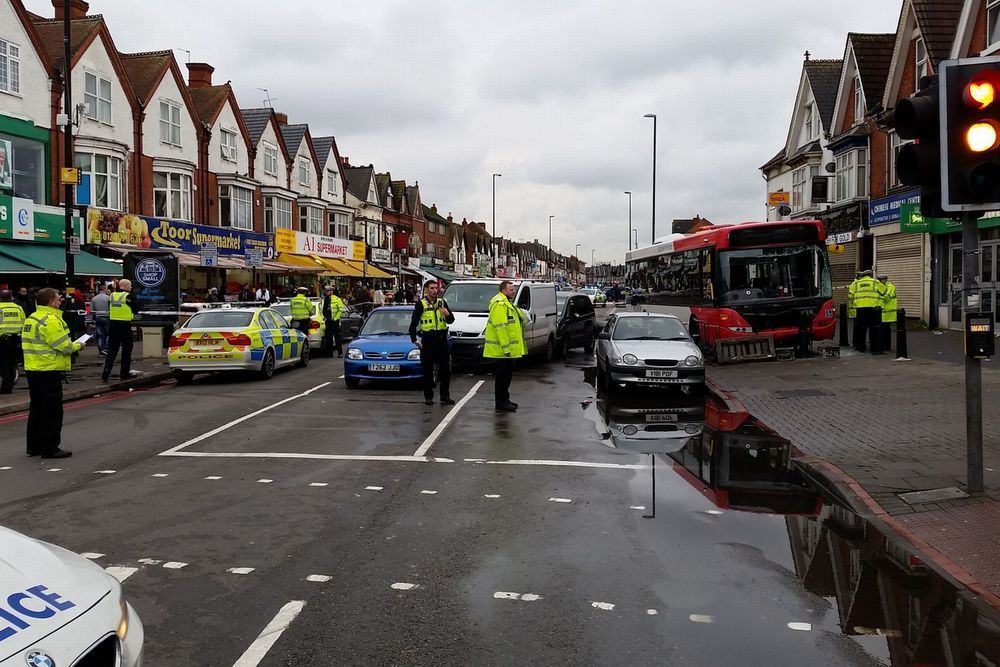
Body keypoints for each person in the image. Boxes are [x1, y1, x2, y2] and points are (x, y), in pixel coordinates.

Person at [22, 288, 83, 458]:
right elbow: (65, 346)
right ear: (50, 302)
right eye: (58, 299)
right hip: (49, 369)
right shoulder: (51, 320)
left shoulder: (32, 318)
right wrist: (79, 345)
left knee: (37, 409)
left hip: (33, 369)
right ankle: (50, 447)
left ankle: (33, 446)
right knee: (52, 411)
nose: (60, 301)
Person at [409, 279, 455, 406]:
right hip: (428, 341)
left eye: (436, 288)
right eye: (432, 288)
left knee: (445, 370)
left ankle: (445, 396)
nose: (435, 291)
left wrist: (447, 314)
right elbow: (413, 325)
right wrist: (414, 340)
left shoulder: (442, 302)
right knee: (427, 370)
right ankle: (428, 396)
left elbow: (451, 320)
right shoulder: (421, 304)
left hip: (441, 340)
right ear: (426, 290)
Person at [484, 280, 527, 412]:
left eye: (513, 289)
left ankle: (505, 400)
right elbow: (500, 328)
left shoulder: (508, 303)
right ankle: (501, 403)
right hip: (502, 351)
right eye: (511, 290)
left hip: (507, 351)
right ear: (503, 290)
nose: (513, 292)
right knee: (502, 378)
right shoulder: (500, 305)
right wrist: (506, 348)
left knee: (506, 377)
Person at [102, 279, 139, 382]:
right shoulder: (128, 296)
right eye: (130, 286)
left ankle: (106, 371)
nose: (131, 288)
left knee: (112, 350)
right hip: (124, 325)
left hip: (113, 324)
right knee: (127, 349)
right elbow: (136, 309)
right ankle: (124, 373)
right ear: (126, 286)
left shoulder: (112, 295)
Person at [0, 290, 25, 394]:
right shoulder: (18, 308)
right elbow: (24, 322)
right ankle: (9, 385)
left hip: (2, 339)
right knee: (11, 362)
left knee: (3, 364)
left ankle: (6, 387)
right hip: (15, 339)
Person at [852, 270, 882, 355]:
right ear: (871, 275)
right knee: (873, 329)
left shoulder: (856, 283)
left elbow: (851, 296)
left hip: (860, 309)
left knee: (861, 329)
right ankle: (873, 348)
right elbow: (883, 292)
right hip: (873, 309)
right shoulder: (875, 282)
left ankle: (861, 347)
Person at [321, 286, 346, 358]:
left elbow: (340, 310)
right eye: (326, 291)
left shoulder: (337, 299)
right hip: (328, 321)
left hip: (335, 321)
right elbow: (322, 310)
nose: (327, 292)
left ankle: (340, 353)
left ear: (332, 291)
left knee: (337, 337)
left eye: (328, 291)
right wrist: (325, 318)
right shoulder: (324, 300)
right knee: (328, 338)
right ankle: (329, 353)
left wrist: (335, 318)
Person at [878, 272, 897, 352]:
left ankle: (886, 346)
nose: (880, 282)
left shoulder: (891, 287)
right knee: (882, 330)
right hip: (883, 312)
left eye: (881, 280)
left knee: (886, 330)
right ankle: (883, 345)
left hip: (888, 313)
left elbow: (886, 298)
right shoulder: (882, 287)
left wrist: (878, 294)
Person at [91, 283, 111, 355]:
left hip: (98, 317)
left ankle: (100, 349)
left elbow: (92, 310)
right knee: (109, 334)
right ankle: (106, 348)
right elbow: (110, 308)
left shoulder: (94, 298)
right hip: (106, 317)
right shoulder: (108, 298)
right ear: (104, 289)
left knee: (100, 334)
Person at [848, 272, 860, 351]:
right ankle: (856, 343)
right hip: (856, 308)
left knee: (857, 327)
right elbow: (851, 297)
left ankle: (856, 343)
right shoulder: (855, 284)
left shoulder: (854, 284)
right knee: (857, 327)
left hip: (856, 308)